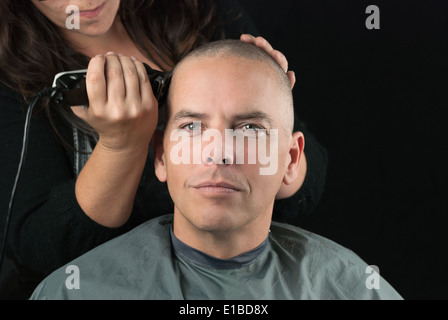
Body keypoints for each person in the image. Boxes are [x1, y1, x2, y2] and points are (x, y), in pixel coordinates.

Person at [0, 1, 327, 298]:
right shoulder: (9, 76)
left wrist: (267, 95)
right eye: (191, 125)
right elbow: (48, 255)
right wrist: (121, 146)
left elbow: (304, 182)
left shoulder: (203, 12)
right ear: (160, 155)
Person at [30, 39, 401, 300]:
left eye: (250, 129)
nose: (218, 153)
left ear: (290, 160)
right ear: (160, 156)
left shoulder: (354, 289)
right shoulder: (74, 291)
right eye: (192, 127)